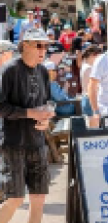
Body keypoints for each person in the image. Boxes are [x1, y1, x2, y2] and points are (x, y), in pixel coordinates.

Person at [0, 28, 55, 223]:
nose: (43, 50)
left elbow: (48, 101)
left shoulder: (42, 71)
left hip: (37, 142)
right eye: (38, 45)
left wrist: (47, 116)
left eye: (46, 46)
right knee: (15, 198)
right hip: (13, 143)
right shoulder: (9, 70)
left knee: (39, 198)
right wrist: (30, 113)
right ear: (25, 45)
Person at [80, 45, 102, 121]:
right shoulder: (89, 68)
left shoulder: (85, 65)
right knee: (93, 129)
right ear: (93, 55)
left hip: (87, 99)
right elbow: (95, 87)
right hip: (90, 100)